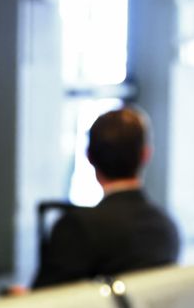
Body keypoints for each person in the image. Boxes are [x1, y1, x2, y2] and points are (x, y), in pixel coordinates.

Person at [31, 106, 180, 289]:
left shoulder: (77, 228)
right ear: (145, 155)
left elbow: (47, 301)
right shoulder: (165, 227)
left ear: (89, 156)